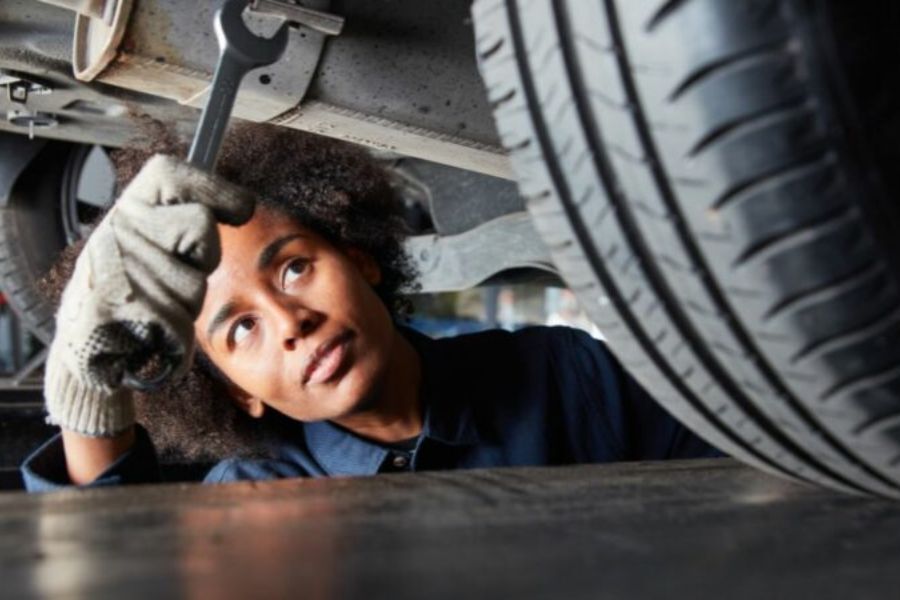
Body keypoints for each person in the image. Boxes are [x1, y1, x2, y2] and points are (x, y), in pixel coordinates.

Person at [22, 124, 720, 491]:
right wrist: (88, 390)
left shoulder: (563, 379)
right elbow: (103, 567)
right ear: (239, 393)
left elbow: (745, 460)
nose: (291, 323)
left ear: (359, 258)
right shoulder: (253, 499)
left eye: (294, 268)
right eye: (242, 328)